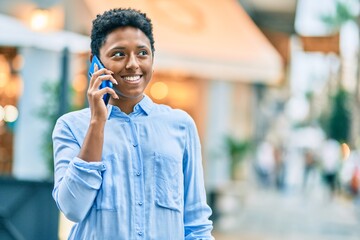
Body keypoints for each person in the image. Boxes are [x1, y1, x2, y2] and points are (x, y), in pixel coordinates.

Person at [52, 8, 214, 239]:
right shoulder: (71, 126)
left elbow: (196, 222)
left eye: (142, 53)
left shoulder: (180, 125)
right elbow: (72, 208)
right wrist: (97, 122)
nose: (132, 64)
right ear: (95, 62)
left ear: (152, 59)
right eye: (118, 54)